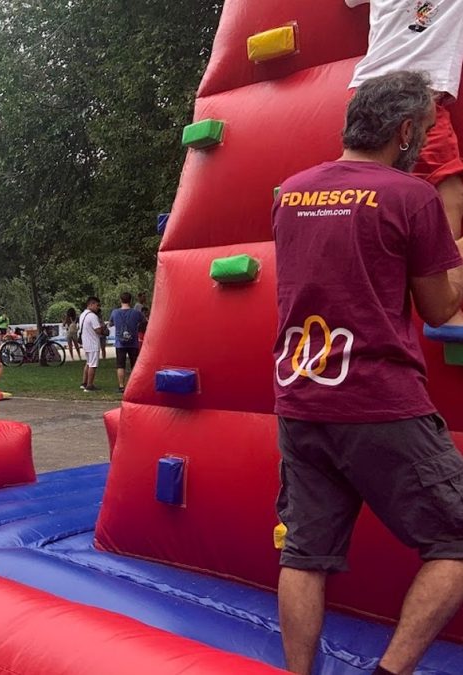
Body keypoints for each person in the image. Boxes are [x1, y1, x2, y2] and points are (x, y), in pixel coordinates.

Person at [272, 71, 463, 675]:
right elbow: (439, 307)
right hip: (380, 400)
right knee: (457, 539)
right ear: (405, 131)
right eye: (424, 133)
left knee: (304, 555)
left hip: (301, 397)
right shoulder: (411, 196)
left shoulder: (290, 192)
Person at [346, 0, 463, 240]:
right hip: (416, 94)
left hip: (367, 90)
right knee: (445, 187)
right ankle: (443, 270)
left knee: (371, 187)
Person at [109, 292, 145, 394]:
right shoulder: (136, 313)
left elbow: (111, 323)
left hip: (120, 343)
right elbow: (143, 321)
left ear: (121, 300)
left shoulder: (115, 312)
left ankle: (121, 386)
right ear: (131, 300)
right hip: (133, 342)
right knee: (134, 364)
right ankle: (135, 386)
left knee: (120, 365)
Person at [78, 297, 103, 391]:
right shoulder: (92, 316)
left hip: (86, 343)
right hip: (93, 343)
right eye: (97, 305)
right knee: (93, 365)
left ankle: (84, 383)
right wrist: (103, 329)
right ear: (91, 304)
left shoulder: (83, 315)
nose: (98, 307)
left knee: (88, 363)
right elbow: (98, 330)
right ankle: (89, 385)